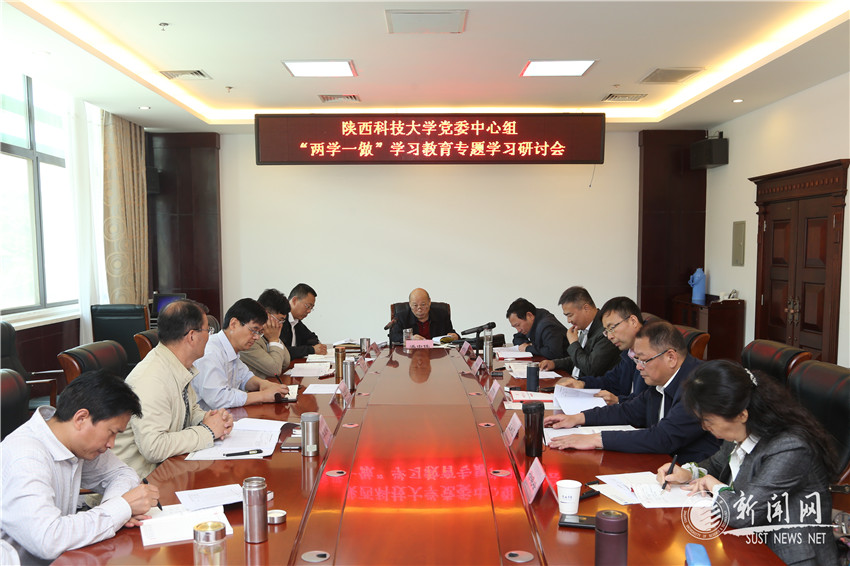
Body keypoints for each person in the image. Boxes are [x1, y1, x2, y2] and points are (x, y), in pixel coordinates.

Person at [657, 360, 838, 566]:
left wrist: (714, 485)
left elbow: (744, 513)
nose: (704, 427)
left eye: (708, 421)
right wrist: (688, 474)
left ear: (742, 414)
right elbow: (715, 465)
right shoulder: (742, 429)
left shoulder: (791, 447)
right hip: (746, 542)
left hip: (785, 555)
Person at [1, 370, 160, 562]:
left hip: (66, 556)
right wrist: (120, 508)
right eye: (111, 432)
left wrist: (119, 511)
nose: (111, 444)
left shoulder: (74, 443)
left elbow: (122, 473)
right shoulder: (26, 456)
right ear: (81, 418)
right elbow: (48, 539)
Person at [544, 321, 720, 462]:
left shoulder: (700, 385)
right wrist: (578, 418)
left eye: (643, 360)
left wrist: (596, 439)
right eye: (636, 360)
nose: (638, 367)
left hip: (693, 478)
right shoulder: (661, 381)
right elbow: (628, 410)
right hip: (661, 464)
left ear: (671, 357)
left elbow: (663, 438)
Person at [113, 299, 234, 478]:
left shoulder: (177, 365)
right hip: (139, 481)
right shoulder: (151, 378)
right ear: (192, 336)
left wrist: (210, 419)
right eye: (207, 330)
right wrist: (208, 431)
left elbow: (187, 412)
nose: (209, 336)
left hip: (169, 470)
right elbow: (154, 447)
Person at [193, 298, 291, 410]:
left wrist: (263, 384)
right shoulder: (210, 351)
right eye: (253, 330)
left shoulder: (231, 349)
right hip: (206, 418)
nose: (257, 337)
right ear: (234, 324)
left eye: (260, 332)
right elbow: (218, 398)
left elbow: (244, 377)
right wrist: (263, 396)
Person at [556, 296, 649, 405]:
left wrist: (618, 401)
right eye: (606, 331)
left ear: (633, 321)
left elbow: (646, 403)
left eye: (612, 328)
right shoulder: (629, 352)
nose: (609, 336)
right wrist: (582, 384)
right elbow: (611, 381)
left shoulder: (653, 352)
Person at [539, 286, 619, 379]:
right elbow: (578, 358)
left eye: (570, 315)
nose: (568, 321)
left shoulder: (605, 331)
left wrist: (573, 343)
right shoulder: (585, 327)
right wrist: (554, 363)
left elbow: (590, 368)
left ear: (586, 308)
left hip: (590, 385)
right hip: (575, 381)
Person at [239, 288, 292, 379]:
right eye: (279, 320)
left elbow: (286, 362)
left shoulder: (266, 335)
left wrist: (275, 339)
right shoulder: (249, 338)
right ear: (266, 315)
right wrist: (274, 340)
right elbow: (275, 370)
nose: (280, 325)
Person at [389, 288, 459, 343]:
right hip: (411, 354)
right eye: (415, 305)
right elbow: (393, 336)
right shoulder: (401, 317)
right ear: (410, 304)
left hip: (436, 354)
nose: (419, 309)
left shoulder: (442, 315)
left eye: (423, 304)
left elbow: (451, 332)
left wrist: (455, 336)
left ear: (429, 302)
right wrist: (410, 338)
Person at [282, 283, 327, 358]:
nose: (309, 311)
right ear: (294, 300)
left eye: (311, 308)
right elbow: (283, 351)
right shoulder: (280, 320)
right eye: (308, 306)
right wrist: (312, 349)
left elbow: (311, 337)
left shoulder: (296, 322)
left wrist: (318, 346)